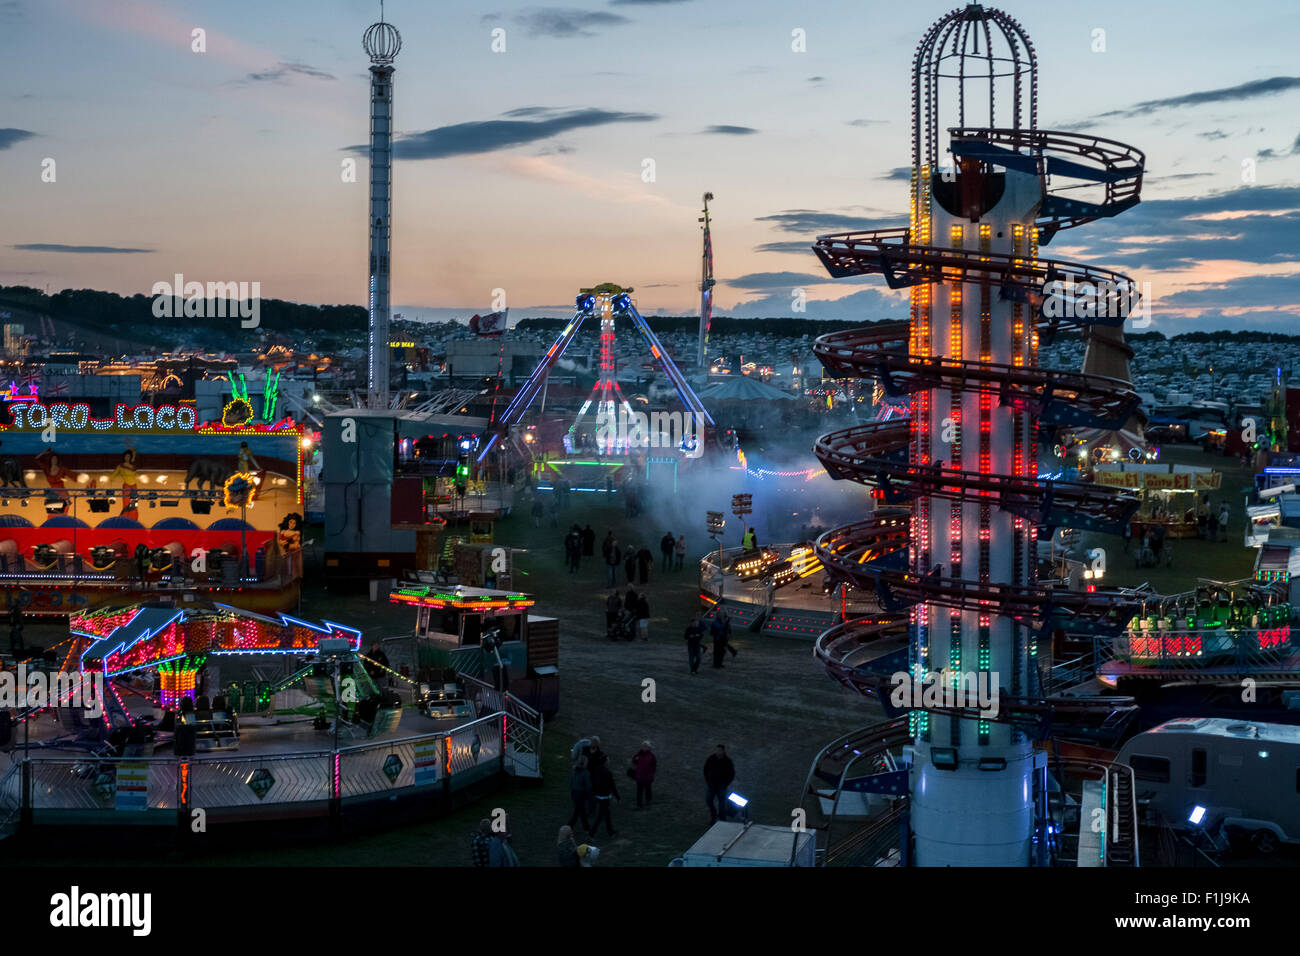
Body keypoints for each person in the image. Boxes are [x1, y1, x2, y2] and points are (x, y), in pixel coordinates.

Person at [703, 744, 736, 823]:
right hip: (711, 784)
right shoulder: (711, 758)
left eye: (719, 750)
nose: (718, 752)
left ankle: (721, 819)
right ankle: (714, 814)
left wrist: (726, 783)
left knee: (722, 804)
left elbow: (732, 773)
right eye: (717, 750)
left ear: (723, 751)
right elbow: (705, 769)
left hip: (722, 785)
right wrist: (708, 780)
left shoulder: (727, 761)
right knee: (709, 800)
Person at [590, 758, 619, 837]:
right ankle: (592, 833)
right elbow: (612, 785)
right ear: (605, 762)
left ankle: (610, 831)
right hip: (605, 796)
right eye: (608, 760)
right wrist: (617, 796)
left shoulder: (596, 770)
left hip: (598, 795)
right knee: (601, 815)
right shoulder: (608, 773)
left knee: (606, 814)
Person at [568, 757, 593, 831]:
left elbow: (571, 783)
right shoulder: (585, 773)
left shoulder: (575, 771)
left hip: (574, 793)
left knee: (581, 812)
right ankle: (569, 827)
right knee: (578, 812)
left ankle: (586, 827)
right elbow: (588, 786)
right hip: (581, 795)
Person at [278, 513, 304, 581]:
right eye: (290, 522)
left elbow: (294, 540)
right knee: (287, 565)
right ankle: (288, 577)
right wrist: (286, 542)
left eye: (294, 523)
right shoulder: (283, 531)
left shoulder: (297, 532)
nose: (292, 524)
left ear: (297, 524)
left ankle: (296, 577)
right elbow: (281, 542)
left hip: (295, 551)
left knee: (295, 565)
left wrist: (286, 542)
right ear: (287, 522)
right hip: (288, 551)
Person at [632, 740, 657, 809]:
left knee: (648, 790)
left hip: (647, 777)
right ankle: (639, 805)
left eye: (646, 746)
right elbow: (634, 761)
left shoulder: (652, 757)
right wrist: (636, 757)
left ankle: (648, 802)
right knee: (639, 791)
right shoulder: (638, 754)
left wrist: (651, 775)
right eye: (643, 746)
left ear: (649, 748)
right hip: (639, 776)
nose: (644, 747)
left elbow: (653, 768)